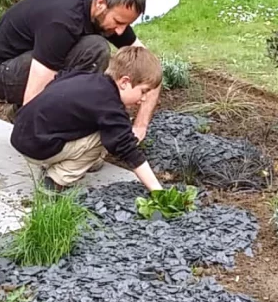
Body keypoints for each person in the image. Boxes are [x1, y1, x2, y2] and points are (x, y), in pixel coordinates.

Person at [0, 0, 159, 141]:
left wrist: (140, 126)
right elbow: (37, 82)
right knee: (95, 48)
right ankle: (50, 123)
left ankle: (43, 116)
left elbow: (151, 69)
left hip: (28, 62)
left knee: (92, 49)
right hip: (2, 72)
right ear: (101, 3)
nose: (121, 31)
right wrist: (34, 136)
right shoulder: (63, 21)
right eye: (118, 22)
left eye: (126, 24)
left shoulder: (106, 14)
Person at [10, 46, 164, 193]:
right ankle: (55, 180)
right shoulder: (110, 106)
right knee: (104, 139)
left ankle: (71, 159)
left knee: (102, 128)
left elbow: (57, 80)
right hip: (36, 147)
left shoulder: (86, 78)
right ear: (124, 82)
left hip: (21, 133)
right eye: (143, 91)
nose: (144, 99)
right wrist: (156, 189)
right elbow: (127, 148)